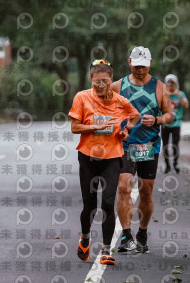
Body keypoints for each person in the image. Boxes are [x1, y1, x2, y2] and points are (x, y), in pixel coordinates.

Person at [69, 60, 140, 265]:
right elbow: (74, 127)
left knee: (108, 202)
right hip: (88, 157)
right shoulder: (82, 97)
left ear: (111, 80)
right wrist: (94, 127)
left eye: (105, 81)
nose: (101, 85)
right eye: (97, 81)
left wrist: (127, 130)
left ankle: (106, 250)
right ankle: (85, 237)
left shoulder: (120, 101)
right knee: (89, 205)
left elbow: (135, 116)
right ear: (91, 79)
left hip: (112, 157)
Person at [110, 46, 174, 254]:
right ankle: (126, 235)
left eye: (144, 66)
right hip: (124, 145)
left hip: (149, 145)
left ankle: (142, 233)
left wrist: (156, 120)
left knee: (146, 192)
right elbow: (107, 112)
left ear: (150, 64)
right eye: (136, 66)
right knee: (123, 187)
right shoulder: (117, 86)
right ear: (129, 62)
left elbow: (169, 115)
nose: (140, 70)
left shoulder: (160, 87)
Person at [161, 74, 189, 173]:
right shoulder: (163, 94)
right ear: (165, 83)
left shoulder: (181, 94)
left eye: (172, 82)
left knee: (175, 145)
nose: (170, 84)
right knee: (165, 145)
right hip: (165, 124)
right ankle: (167, 165)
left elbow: (186, 105)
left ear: (176, 83)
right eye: (168, 82)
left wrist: (178, 95)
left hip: (176, 124)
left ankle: (175, 163)